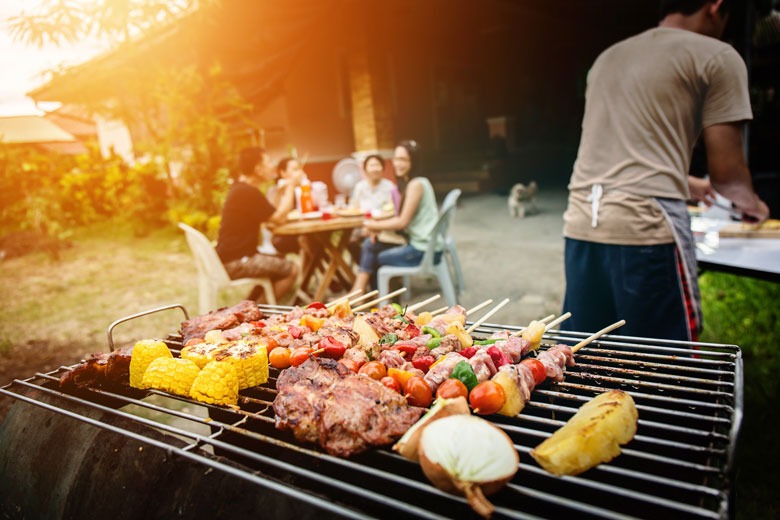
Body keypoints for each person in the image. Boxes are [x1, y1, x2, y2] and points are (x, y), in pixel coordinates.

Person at [562, 0, 769, 341]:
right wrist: (756, 206)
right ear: (716, 7)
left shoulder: (608, 58)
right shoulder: (717, 56)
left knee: (586, 358)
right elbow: (730, 179)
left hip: (582, 225)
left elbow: (614, 160)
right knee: (664, 367)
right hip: (645, 230)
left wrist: (689, 184)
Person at [351, 140, 441, 293]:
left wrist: (372, 226)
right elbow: (399, 214)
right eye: (396, 158)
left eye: (403, 159)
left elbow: (402, 222)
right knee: (369, 245)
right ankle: (362, 294)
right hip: (420, 244)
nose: (397, 163)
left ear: (414, 161)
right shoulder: (412, 183)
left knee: (376, 257)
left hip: (423, 250)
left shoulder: (416, 185)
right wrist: (376, 226)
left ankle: (377, 300)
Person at [215, 147, 301, 303]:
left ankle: (249, 308)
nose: (272, 166)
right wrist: (290, 187)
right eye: (268, 162)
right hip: (237, 261)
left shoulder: (242, 189)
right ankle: (255, 314)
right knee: (292, 269)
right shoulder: (247, 192)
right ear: (258, 169)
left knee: (278, 261)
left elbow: (270, 216)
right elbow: (279, 218)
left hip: (232, 258)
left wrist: (281, 192)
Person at [347, 154, 401, 261]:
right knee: (350, 242)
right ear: (365, 169)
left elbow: (392, 212)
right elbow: (353, 209)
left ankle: (370, 273)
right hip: (361, 225)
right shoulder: (360, 187)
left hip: (382, 227)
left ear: (383, 168)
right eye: (371, 165)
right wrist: (364, 226)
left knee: (371, 243)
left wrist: (374, 226)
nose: (375, 169)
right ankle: (367, 272)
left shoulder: (390, 187)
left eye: (378, 165)